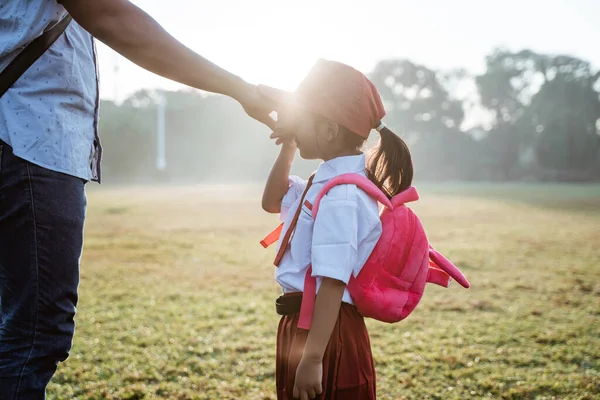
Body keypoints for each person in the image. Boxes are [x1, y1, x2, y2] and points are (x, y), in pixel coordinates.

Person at [0, 1, 275, 398]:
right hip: (28, 142)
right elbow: (110, 15)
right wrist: (240, 89)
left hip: (19, 141)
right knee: (34, 333)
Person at [260, 59, 414, 400]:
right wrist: (288, 144)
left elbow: (333, 280)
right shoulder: (322, 180)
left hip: (325, 333)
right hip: (306, 325)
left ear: (329, 130)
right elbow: (273, 201)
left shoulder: (341, 193)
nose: (293, 127)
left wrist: (313, 358)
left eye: (301, 120)